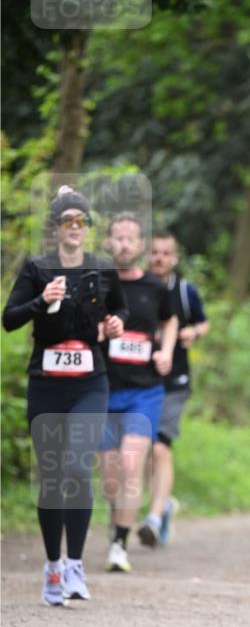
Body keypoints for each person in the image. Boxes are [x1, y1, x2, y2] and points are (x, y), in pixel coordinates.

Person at [2, 186, 127, 605]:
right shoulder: (38, 267)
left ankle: (75, 565)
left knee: (76, 466)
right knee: (53, 477)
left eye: (81, 221)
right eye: (67, 221)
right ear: (56, 227)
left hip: (90, 381)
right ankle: (52, 566)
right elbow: (9, 319)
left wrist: (115, 326)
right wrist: (42, 300)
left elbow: (120, 311)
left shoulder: (103, 269)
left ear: (88, 227)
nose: (74, 228)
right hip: (46, 382)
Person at [99, 213, 178, 572]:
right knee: (111, 476)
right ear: (108, 243)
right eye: (118, 238)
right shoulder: (96, 283)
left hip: (144, 391)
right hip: (101, 390)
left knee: (132, 463)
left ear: (141, 245)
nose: (125, 244)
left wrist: (166, 350)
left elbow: (170, 319)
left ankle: (119, 544)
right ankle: (118, 521)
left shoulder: (154, 287)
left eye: (131, 238)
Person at [136, 231, 209, 547]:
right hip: (137, 379)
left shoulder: (183, 291)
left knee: (161, 446)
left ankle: (153, 517)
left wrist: (193, 332)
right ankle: (163, 504)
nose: (159, 258)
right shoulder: (134, 290)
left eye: (165, 253)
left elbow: (204, 322)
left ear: (174, 258)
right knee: (141, 451)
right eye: (154, 252)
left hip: (174, 381)